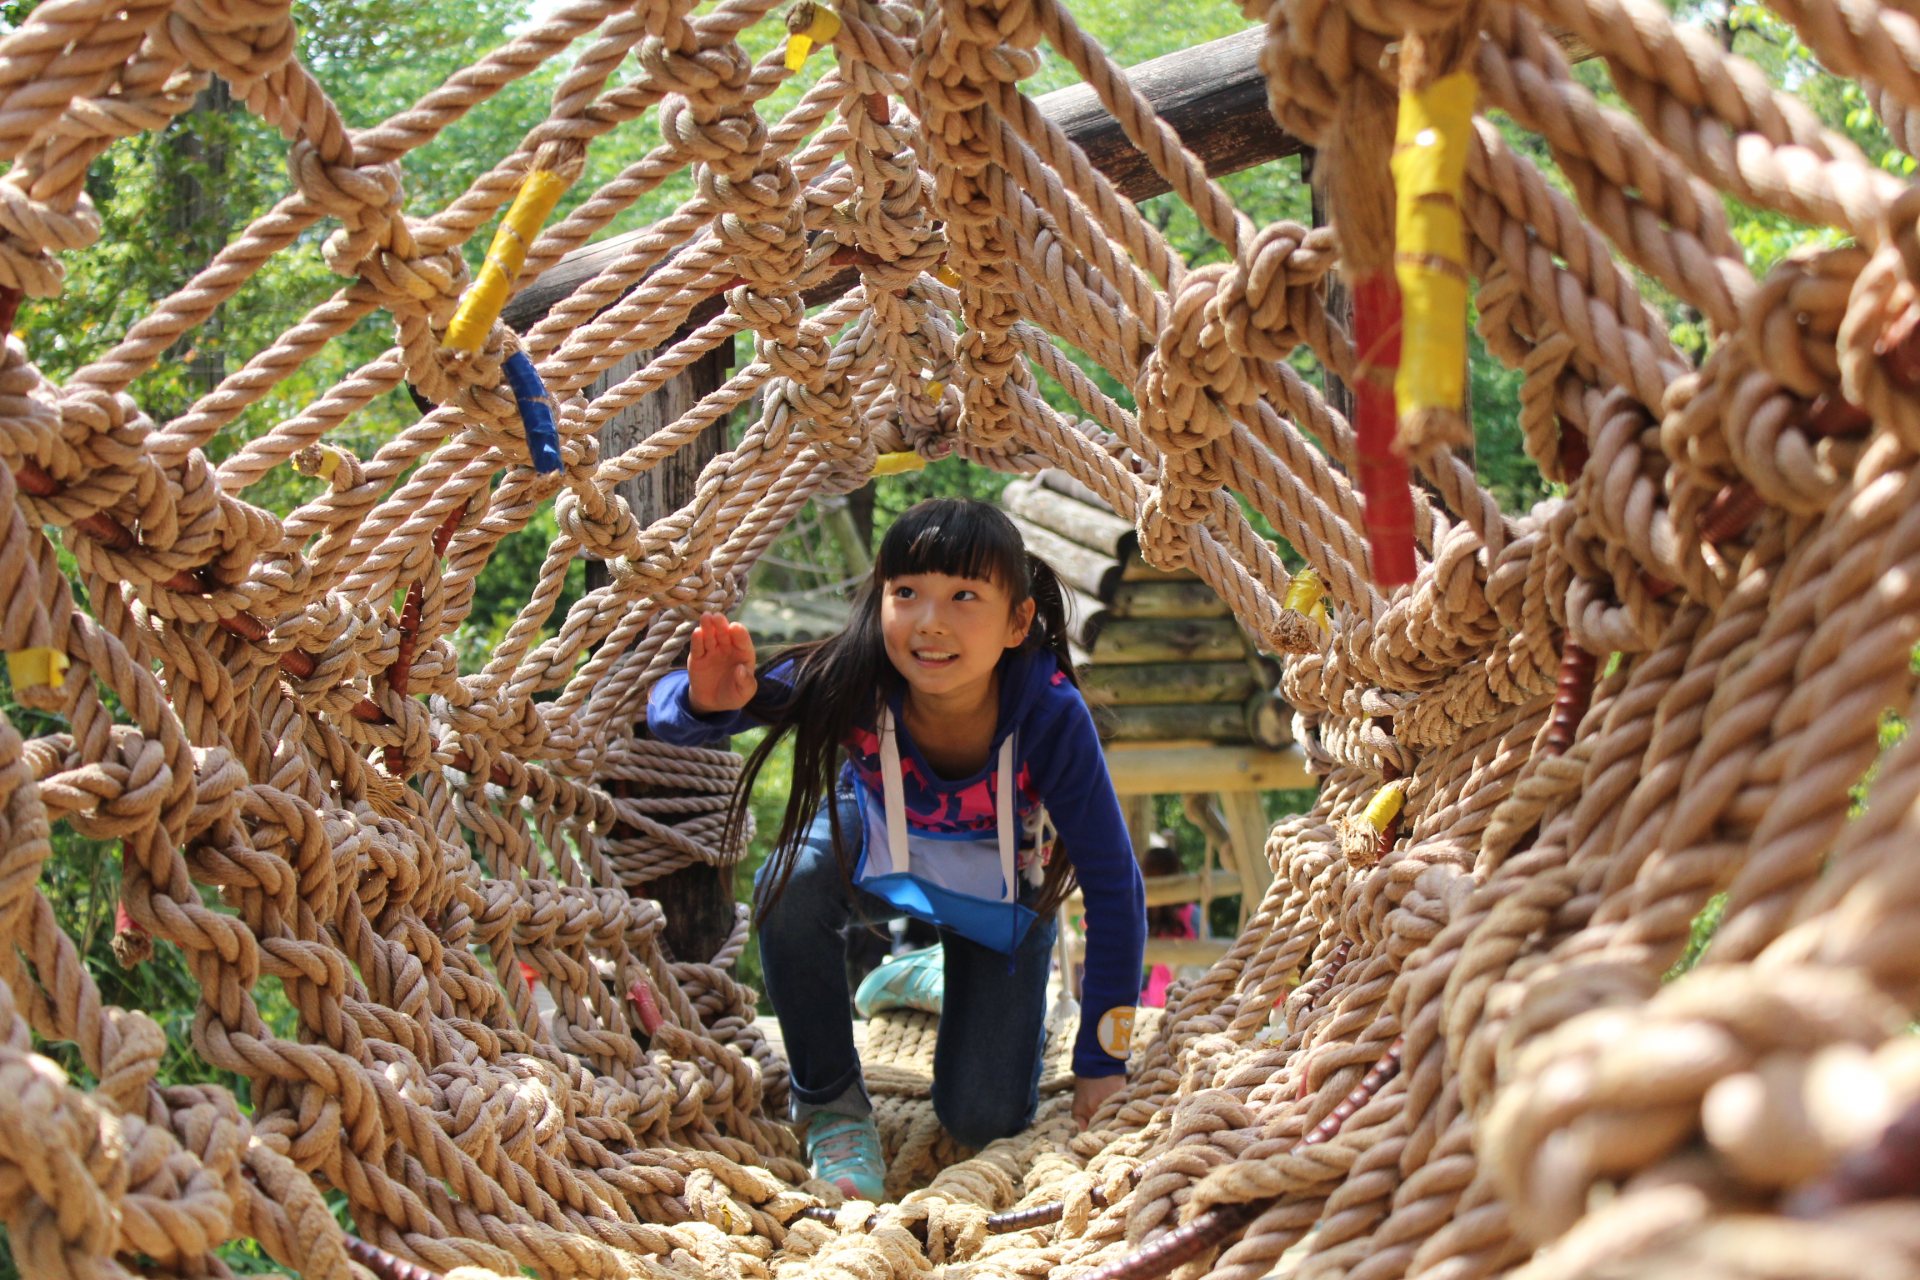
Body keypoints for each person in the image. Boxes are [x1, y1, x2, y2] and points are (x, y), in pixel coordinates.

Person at [648, 498, 1146, 1202]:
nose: (930, 622)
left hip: (998, 896)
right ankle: (830, 1107)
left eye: (963, 596)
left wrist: (1104, 1059)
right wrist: (701, 699)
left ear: (1017, 622)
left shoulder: (1049, 715)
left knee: (982, 1115)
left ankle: (935, 973)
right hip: (878, 850)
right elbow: (674, 714)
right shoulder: (856, 678)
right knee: (790, 878)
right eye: (906, 593)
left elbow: (1115, 887)